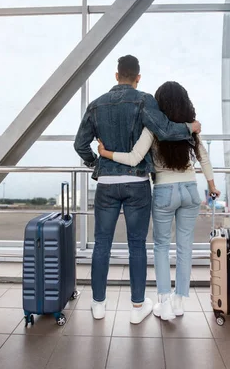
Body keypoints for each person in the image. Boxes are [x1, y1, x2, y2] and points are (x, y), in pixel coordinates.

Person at [74, 56, 201, 324]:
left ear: (117, 75)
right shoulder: (144, 100)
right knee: (137, 246)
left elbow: (80, 144)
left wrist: (95, 163)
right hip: (137, 183)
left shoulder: (95, 105)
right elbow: (164, 130)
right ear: (138, 77)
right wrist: (190, 127)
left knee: (102, 244)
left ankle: (98, 305)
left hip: (107, 185)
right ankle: (136, 307)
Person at [98, 81, 220, 321]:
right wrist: (212, 186)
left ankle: (163, 304)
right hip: (190, 190)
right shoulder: (190, 128)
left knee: (162, 247)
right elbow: (203, 158)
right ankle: (179, 303)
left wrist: (106, 154)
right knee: (185, 247)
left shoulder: (152, 128)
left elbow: (134, 158)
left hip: (164, 191)